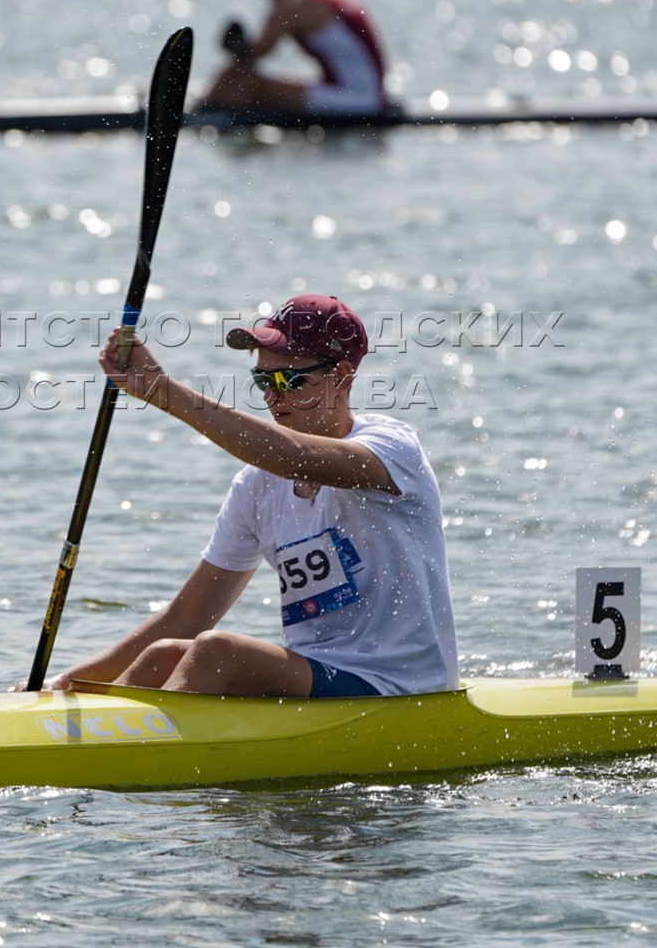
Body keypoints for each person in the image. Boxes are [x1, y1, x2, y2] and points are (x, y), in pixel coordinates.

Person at [40, 295, 456, 698]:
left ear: (342, 375)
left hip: (401, 684)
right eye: (262, 380)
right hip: (316, 674)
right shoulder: (256, 487)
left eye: (288, 380)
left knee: (217, 652)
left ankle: (134, 755)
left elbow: (298, 455)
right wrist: (64, 682)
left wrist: (164, 393)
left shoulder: (392, 449)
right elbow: (187, 617)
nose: (271, 396)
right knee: (163, 654)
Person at [202, 0, 390, 116]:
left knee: (246, 81)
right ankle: (210, 106)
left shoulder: (292, 4)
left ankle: (206, 112)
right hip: (368, 94)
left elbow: (253, 55)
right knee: (245, 78)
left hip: (359, 101)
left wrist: (234, 47)